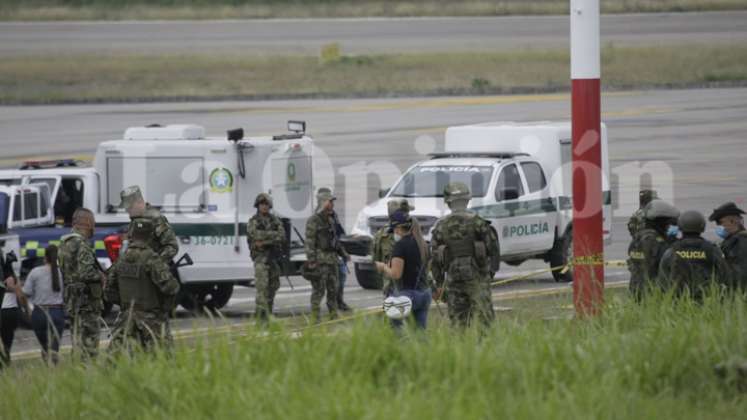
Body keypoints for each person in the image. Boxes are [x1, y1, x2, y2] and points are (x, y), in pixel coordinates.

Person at [105, 219, 180, 352]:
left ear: (131, 235)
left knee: (114, 363)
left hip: (125, 320)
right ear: (150, 236)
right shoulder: (152, 259)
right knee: (164, 362)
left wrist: (125, 304)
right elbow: (172, 288)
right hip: (152, 321)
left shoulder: (120, 259)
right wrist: (163, 307)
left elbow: (108, 291)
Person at [430, 182, 497, 328]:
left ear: (448, 203)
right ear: (467, 200)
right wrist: (489, 274)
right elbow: (493, 249)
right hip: (479, 280)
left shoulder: (441, 226)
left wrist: (439, 283)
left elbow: (435, 259)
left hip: (454, 283)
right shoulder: (478, 222)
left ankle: (461, 350)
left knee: (458, 325)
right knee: (484, 322)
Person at [59, 207, 104, 360]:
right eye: (93, 223)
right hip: (87, 304)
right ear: (86, 223)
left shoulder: (64, 243)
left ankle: (76, 375)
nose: (94, 228)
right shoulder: (82, 244)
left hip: (72, 302)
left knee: (76, 342)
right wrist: (101, 276)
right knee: (90, 346)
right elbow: (86, 273)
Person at [375, 210, 431, 329]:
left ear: (399, 228)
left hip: (408, 295)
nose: (394, 233)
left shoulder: (400, 246)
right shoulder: (423, 244)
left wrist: (383, 267)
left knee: (398, 331)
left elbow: (396, 274)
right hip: (425, 293)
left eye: (394, 230)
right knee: (420, 333)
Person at [658, 210, 730, 302]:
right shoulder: (711, 249)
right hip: (707, 302)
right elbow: (724, 275)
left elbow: (663, 278)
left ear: (680, 227)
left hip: (678, 303)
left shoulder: (672, 250)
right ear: (702, 227)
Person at [305, 188, 349, 321]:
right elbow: (309, 242)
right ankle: (315, 316)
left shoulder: (331, 219)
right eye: (329, 201)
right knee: (318, 290)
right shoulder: (314, 220)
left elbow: (335, 240)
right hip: (320, 261)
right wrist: (312, 260)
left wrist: (344, 253)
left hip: (332, 260)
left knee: (333, 289)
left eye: (332, 202)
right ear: (323, 202)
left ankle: (333, 314)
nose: (332, 204)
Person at [627, 199, 680, 301]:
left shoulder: (637, 239)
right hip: (654, 295)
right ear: (660, 222)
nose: (668, 228)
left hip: (636, 291)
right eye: (667, 225)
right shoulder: (657, 242)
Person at [22, 245, 65, 364]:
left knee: (45, 348)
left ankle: (47, 370)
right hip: (57, 312)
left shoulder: (35, 272)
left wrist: (27, 310)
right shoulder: (61, 272)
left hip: (39, 313)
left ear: (45, 258)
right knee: (54, 349)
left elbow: (24, 293)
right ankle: (54, 371)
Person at [247, 193, 285, 321]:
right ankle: (260, 315)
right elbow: (255, 235)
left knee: (274, 284)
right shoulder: (253, 221)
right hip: (260, 258)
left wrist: (264, 241)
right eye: (262, 204)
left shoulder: (275, 220)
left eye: (266, 204)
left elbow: (282, 236)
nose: (264, 207)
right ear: (257, 206)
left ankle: (269, 310)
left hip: (273, 257)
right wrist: (271, 237)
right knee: (261, 286)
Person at [119, 185, 179, 264]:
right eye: (126, 208)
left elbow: (172, 247)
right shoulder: (135, 219)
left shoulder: (156, 218)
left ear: (139, 202)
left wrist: (154, 264)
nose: (127, 210)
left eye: (130, 207)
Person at [372, 199, 415, 296]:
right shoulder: (380, 237)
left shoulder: (412, 234)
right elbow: (376, 262)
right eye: (406, 213)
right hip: (392, 290)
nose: (408, 216)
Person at [708, 202, 747, 290]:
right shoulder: (732, 240)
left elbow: (742, 274)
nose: (718, 227)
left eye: (720, 223)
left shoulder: (741, 241)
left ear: (732, 221)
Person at [332, 203, 352, 311]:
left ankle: (339, 301)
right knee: (333, 281)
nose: (332, 204)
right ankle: (334, 304)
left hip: (338, 250)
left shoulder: (333, 215)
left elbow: (339, 233)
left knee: (342, 276)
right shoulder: (319, 217)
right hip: (328, 254)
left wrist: (344, 252)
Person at [1, 275, 22, 368]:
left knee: (7, 339)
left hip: (7, 311)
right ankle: (5, 359)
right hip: (9, 312)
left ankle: (5, 359)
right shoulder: (12, 278)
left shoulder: (10, 278)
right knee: (7, 339)